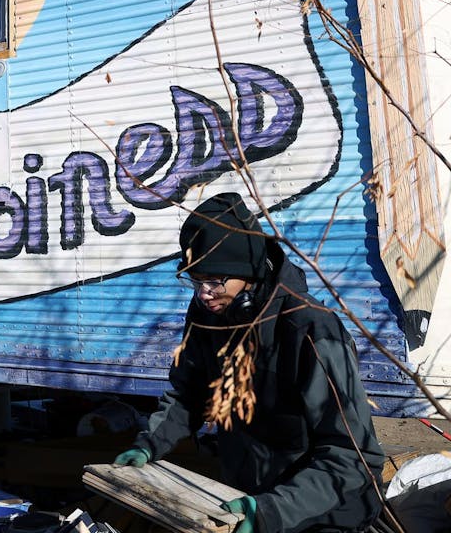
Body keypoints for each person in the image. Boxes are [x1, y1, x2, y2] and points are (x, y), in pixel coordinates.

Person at [114, 193, 385, 533]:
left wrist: (270, 510)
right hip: (248, 499)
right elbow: (190, 395)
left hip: (321, 513)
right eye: (196, 281)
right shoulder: (208, 318)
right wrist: (150, 444)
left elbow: (352, 457)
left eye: (214, 281)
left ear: (249, 276)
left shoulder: (310, 331)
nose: (204, 294)